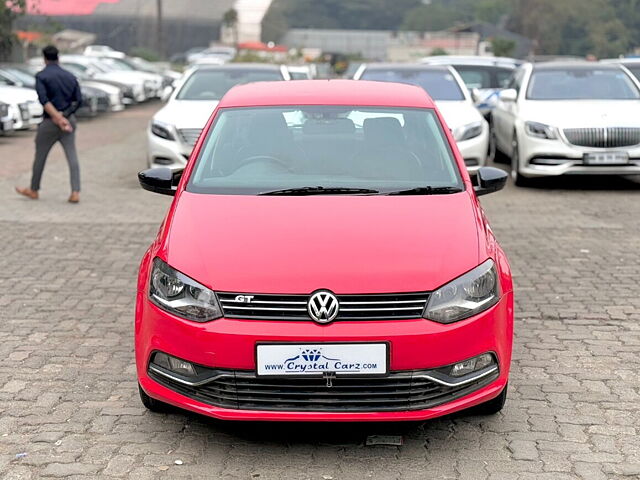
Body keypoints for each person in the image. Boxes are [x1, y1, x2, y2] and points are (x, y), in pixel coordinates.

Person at [15, 45, 83, 203]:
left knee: (40, 156)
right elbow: (78, 101)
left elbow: (44, 100)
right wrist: (64, 116)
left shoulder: (42, 76)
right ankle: (75, 192)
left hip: (49, 123)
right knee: (72, 156)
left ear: (44, 58)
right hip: (68, 122)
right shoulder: (70, 76)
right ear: (58, 57)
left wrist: (57, 118)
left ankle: (34, 190)